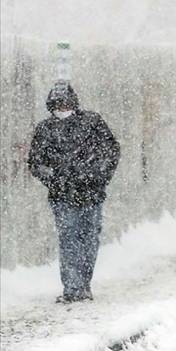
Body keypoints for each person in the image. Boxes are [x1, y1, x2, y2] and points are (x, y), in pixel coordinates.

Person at [27, 81, 121, 303]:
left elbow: (111, 151)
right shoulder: (45, 129)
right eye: (57, 104)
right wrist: (56, 178)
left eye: (65, 102)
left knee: (89, 240)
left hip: (92, 193)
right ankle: (72, 288)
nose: (62, 107)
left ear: (74, 102)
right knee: (69, 239)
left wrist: (97, 174)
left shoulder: (93, 122)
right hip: (62, 196)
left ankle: (83, 284)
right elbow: (36, 162)